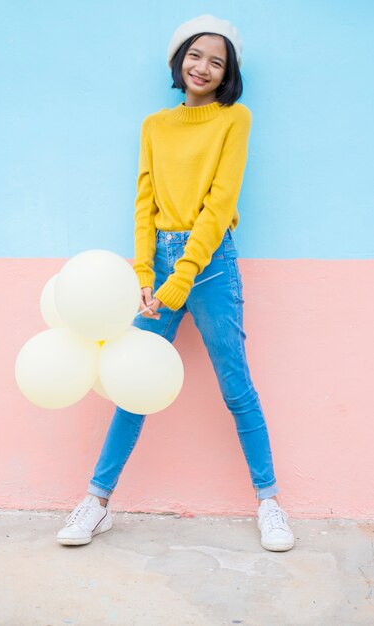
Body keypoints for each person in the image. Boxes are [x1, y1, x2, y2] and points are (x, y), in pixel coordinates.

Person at [57, 14, 295, 552]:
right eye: (196, 55)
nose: (203, 67)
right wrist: (145, 275)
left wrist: (183, 275)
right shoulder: (154, 127)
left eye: (217, 60)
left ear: (227, 71)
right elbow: (145, 204)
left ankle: (270, 503)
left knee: (236, 385)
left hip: (209, 264)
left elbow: (221, 202)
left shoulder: (235, 120)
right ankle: (96, 502)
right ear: (178, 58)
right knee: (134, 384)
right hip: (158, 269)